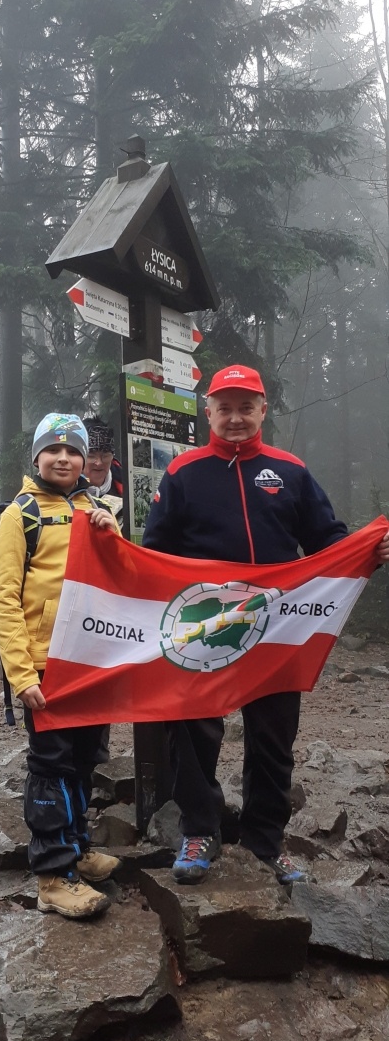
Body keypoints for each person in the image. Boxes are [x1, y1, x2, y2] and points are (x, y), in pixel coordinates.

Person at [142, 363, 389, 886]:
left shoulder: (290, 471)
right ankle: (199, 829)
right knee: (192, 731)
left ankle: (264, 840)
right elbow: (155, 552)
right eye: (224, 408)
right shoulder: (183, 472)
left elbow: (329, 541)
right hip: (203, 625)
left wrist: (371, 550)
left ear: (263, 411)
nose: (235, 418)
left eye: (245, 407)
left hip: (278, 628)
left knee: (274, 738)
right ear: (207, 411)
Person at [0, 413, 121, 919]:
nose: (63, 458)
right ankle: (52, 874)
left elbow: (123, 578)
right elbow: (4, 598)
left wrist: (113, 535)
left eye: (73, 450)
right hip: (44, 665)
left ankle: (78, 847)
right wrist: (21, 674)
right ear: (37, 457)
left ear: (85, 459)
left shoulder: (98, 508)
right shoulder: (19, 514)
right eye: (53, 449)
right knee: (51, 764)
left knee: (86, 758)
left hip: (90, 659)